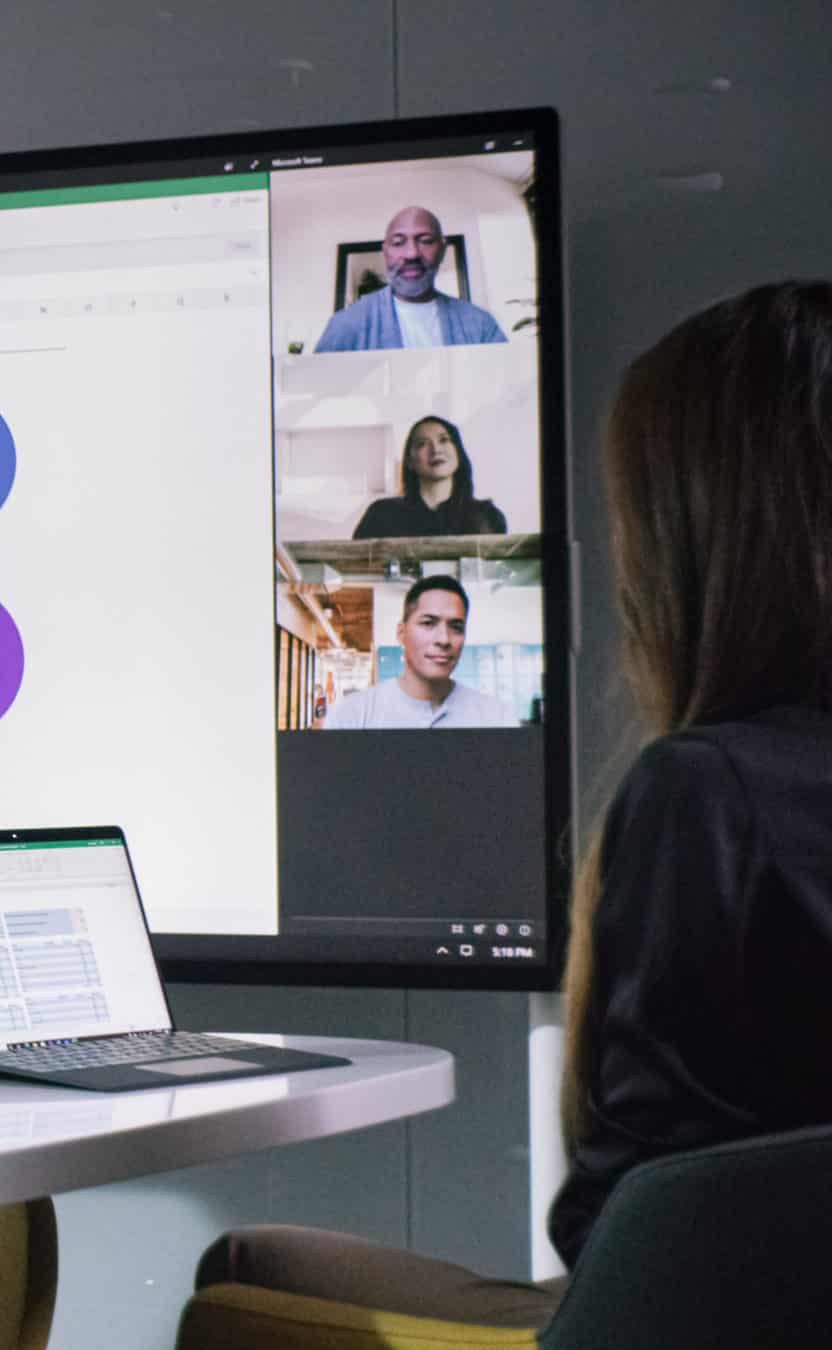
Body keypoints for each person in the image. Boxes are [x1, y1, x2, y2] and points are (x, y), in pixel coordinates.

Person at [197, 280, 832, 1328]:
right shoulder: (355, 716)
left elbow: (619, 1225)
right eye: (429, 620)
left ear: (688, 538)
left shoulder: (708, 796)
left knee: (245, 1271)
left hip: (701, 1312)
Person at [319, 575, 519, 729]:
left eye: (456, 627)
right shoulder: (351, 716)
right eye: (428, 623)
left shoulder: (498, 717)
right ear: (401, 633)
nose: (444, 639)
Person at [314, 206, 510, 351]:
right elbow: (320, 395)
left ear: (442, 250)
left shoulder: (480, 324)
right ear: (385, 252)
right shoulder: (347, 324)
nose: (412, 253)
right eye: (398, 242)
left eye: (425, 241)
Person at [351, 415, 510, 538]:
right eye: (422, 444)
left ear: (458, 453)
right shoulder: (381, 514)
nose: (435, 450)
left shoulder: (487, 516)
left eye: (444, 440)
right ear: (409, 462)